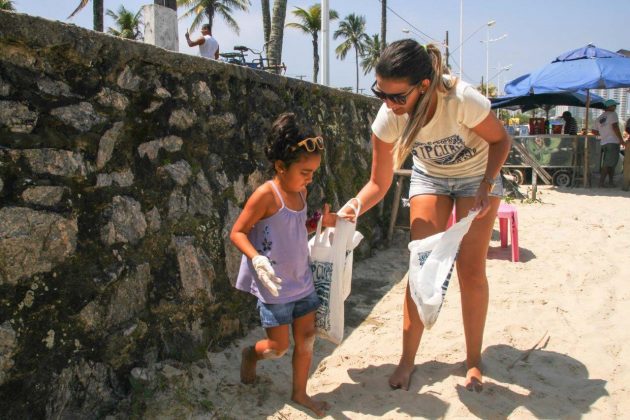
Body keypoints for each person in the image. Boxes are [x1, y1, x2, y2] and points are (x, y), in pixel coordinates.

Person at [338, 40, 511, 392]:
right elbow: (378, 182)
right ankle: (407, 359)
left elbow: (501, 141)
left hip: (478, 175)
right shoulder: (389, 118)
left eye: (397, 97)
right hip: (430, 177)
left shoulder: (460, 99)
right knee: (420, 267)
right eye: (380, 93)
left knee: (470, 267)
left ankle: (474, 360)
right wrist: (351, 208)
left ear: (424, 85)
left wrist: (487, 184)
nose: (389, 104)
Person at [230, 113, 334, 417]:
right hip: (274, 287)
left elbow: (297, 229)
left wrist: (319, 222)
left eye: (313, 172)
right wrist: (256, 258)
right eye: (304, 171)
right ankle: (252, 354)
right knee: (278, 347)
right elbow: (237, 231)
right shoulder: (266, 195)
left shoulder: (301, 191)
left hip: (302, 281)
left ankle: (300, 393)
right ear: (280, 166)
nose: (310, 178)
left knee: (306, 341)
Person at [592, 99, 625, 187]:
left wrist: (603, 133)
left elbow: (594, 131)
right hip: (613, 142)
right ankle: (601, 183)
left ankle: (610, 182)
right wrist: (621, 140)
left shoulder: (599, 118)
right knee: (608, 164)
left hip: (604, 142)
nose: (615, 107)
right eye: (614, 105)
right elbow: (615, 127)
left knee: (611, 163)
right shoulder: (613, 114)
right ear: (610, 107)